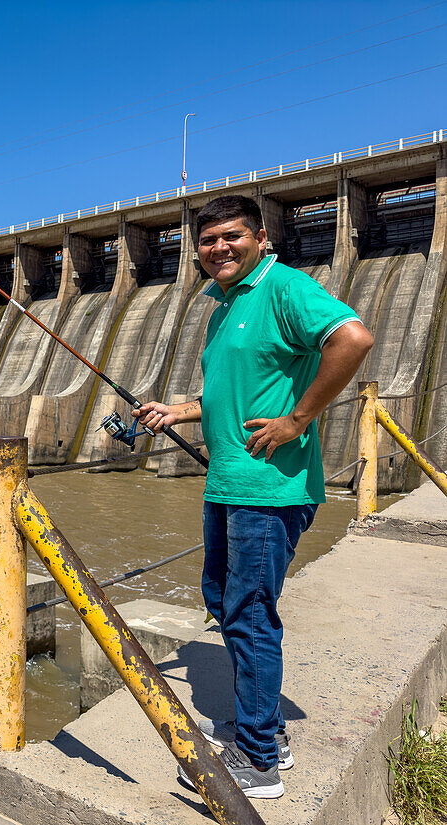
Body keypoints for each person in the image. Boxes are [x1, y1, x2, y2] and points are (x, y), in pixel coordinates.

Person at [134, 195, 373, 799]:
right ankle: (261, 727)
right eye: (208, 240)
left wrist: (298, 419)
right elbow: (232, 394)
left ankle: (260, 759)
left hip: (269, 489)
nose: (220, 248)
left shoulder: (284, 287)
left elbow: (354, 338)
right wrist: (179, 411)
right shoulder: (222, 304)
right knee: (225, 601)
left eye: (232, 236)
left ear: (261, 237)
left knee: (249, 615)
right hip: (229, 483)